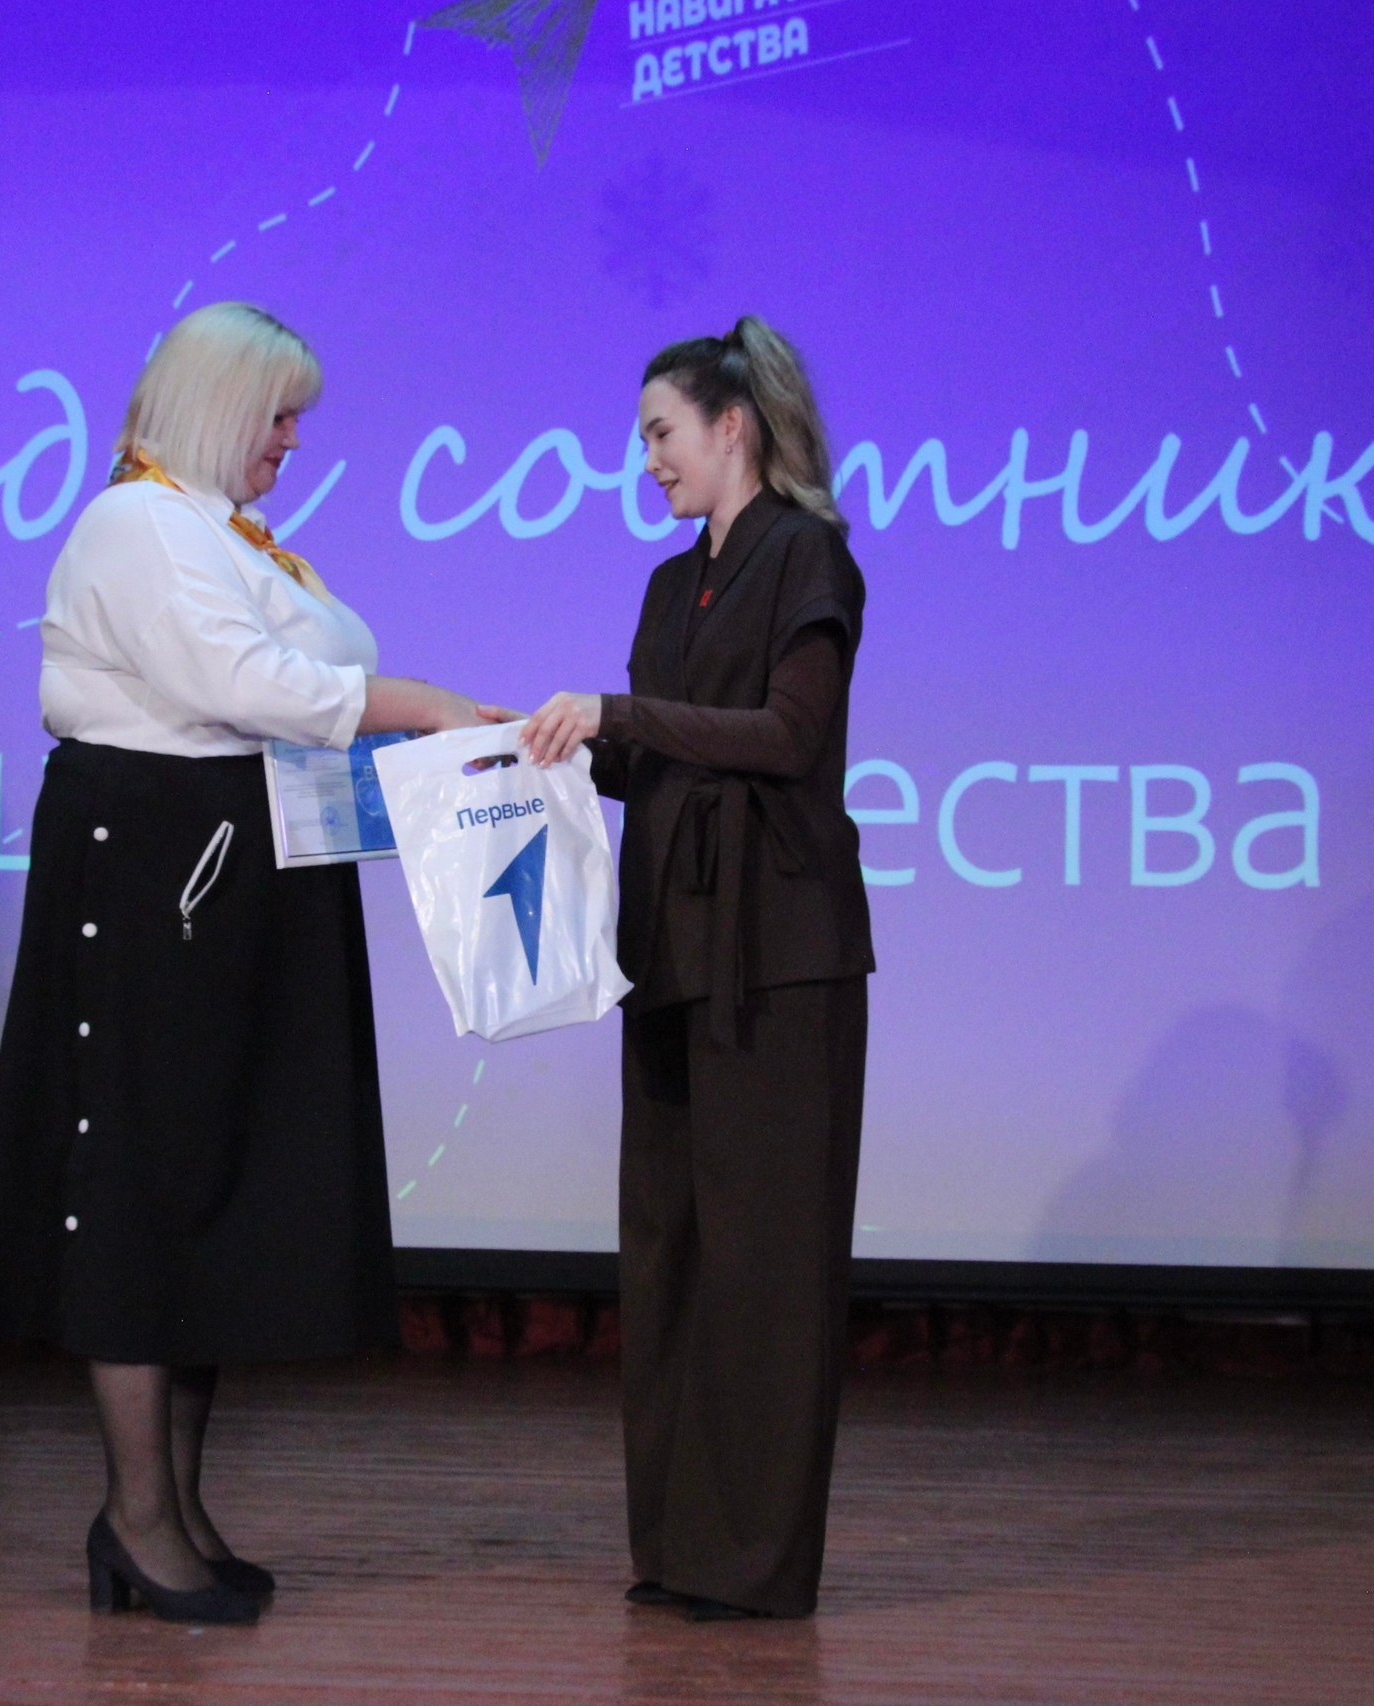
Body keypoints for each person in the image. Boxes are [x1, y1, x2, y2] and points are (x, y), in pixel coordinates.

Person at [0, 302, 511, 1625]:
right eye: (278, 414)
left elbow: (301, 671)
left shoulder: (223, 532)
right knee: (145, 1178)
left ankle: (180, 1509)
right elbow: (249, 681)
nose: (294, 440)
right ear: (215, 406)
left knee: (210, 1181)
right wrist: (424, 704)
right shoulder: (136, 525)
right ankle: (136, 1516)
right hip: (161, 865)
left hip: (235, 859)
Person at [519, 316, 872, 1621]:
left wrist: (623, 715)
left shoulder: (808, 554)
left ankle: (756, 1560)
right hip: (670, 946)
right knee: (670, 1247)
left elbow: (787, 736)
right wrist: (537, 746)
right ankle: (679, 1544)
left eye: (662, 432)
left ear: (733, 426)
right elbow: (646, 756)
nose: (650, 458)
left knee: (767, 1258)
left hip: (776, 954)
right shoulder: (673, 586)